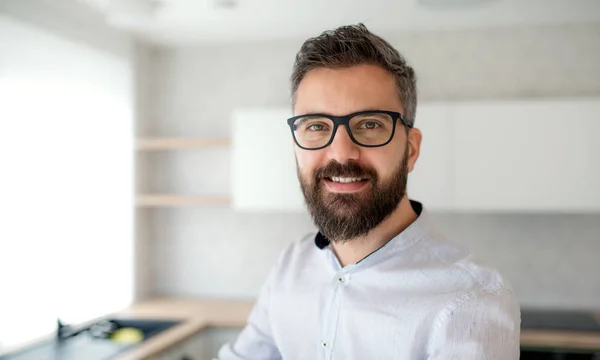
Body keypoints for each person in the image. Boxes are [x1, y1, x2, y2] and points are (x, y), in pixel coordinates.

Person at [217, 23, 520, 360]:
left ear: (412, 150)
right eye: (316, 126)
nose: (341, 153)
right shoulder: (291, 265)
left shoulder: (470, 300)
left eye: (370, 124)